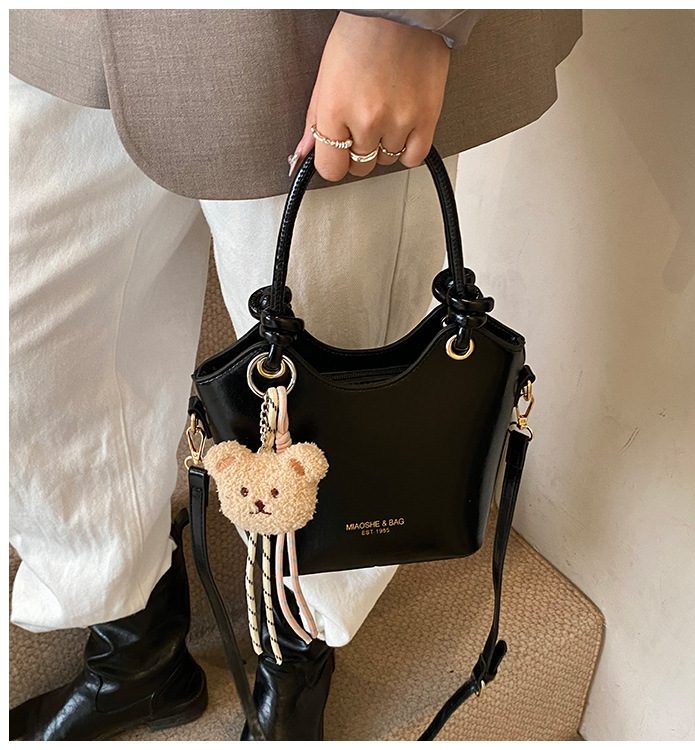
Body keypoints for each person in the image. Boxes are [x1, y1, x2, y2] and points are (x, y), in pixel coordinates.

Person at [9, 9, 582, 741]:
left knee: (337, 357)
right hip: (66, 27)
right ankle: (134, 648)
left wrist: (402, 19)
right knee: (32, 336)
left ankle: (296, 652)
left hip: (302, 33)